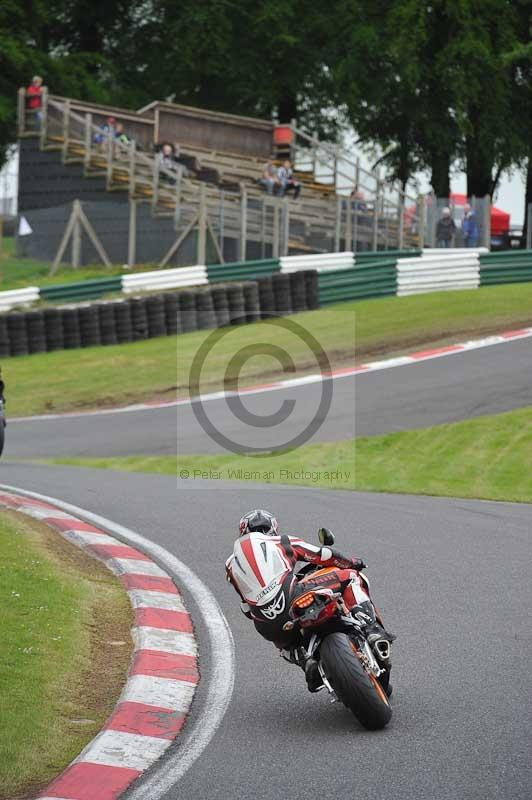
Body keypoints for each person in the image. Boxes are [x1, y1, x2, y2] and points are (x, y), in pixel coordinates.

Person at [225, 509, 394, 693]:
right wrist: (352, 562)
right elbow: (324, 555)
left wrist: (268, 610)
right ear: (273, 528)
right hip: (293, 595)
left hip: (265, 622)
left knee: (284, 642)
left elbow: (246, 608)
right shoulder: (281, 541)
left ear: (243, 531)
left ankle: (306, 663)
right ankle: (372, 630)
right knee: (352, 577)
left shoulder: (231, 565)